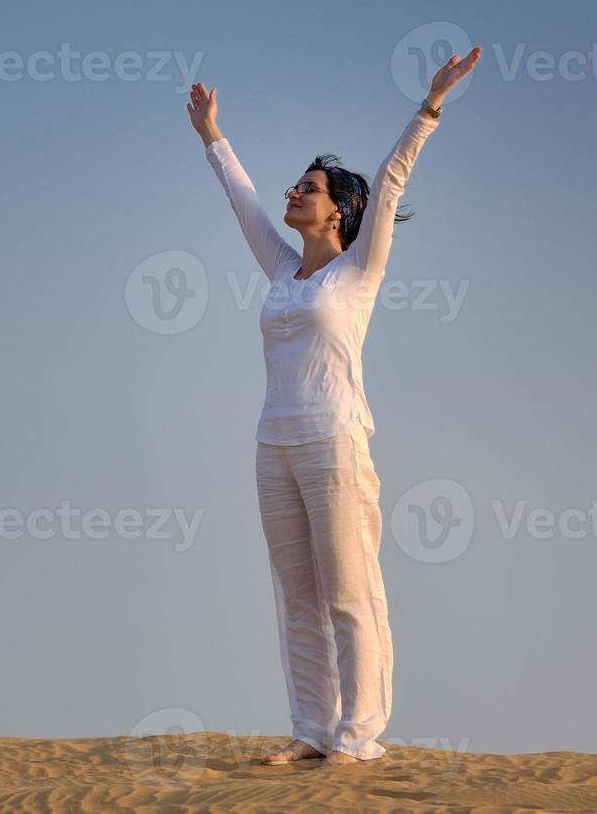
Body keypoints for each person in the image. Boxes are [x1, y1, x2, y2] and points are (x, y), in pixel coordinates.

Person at [185, 46, 483, 768]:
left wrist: (430, 106)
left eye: (309, 187)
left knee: (351, 593)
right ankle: (312, 732)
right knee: (296, 597)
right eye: (295, 183)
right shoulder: (282, 270)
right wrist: (212, 137)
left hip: (335, 443)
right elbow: (243, 202)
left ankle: (358, 738)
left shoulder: (357, 271)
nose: (294, 192)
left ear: (339, 211)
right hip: (274, 445)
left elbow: (390, 181)